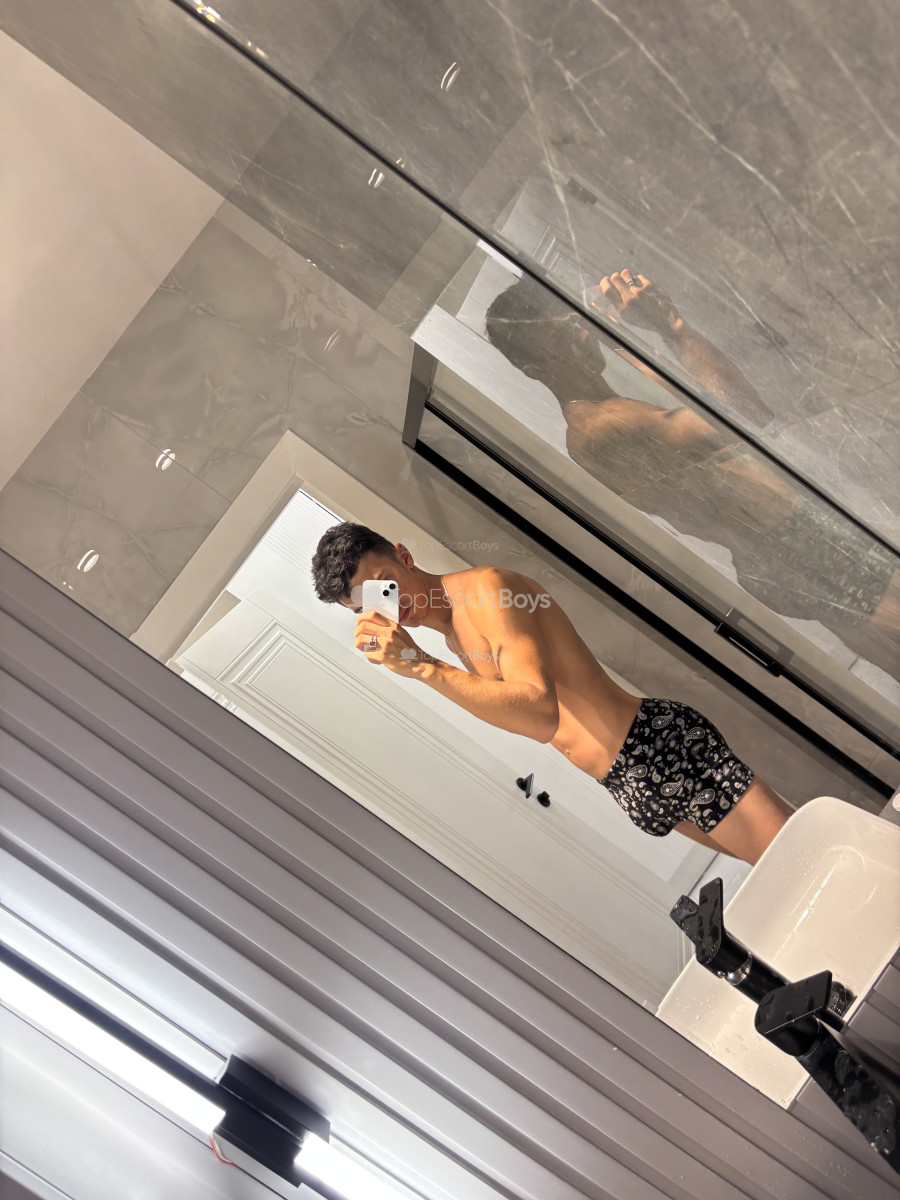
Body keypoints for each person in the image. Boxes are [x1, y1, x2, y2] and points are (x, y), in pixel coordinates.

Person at [484, 271, 900, 677]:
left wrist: (631, 334)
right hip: (791, 545)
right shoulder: (597, 430)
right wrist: (670, 327)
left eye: (576, 321)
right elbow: (742, 417)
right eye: (562, 334)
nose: (583, 333)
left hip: (791, 540)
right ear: (536, 370)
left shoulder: (604, 409)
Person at [311, 522, 795, 865]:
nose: (391, 606)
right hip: (625, 781)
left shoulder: (486, 590)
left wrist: (422, 667)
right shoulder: (452, 634)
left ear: (404, 555)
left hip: (656, 749)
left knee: (801, 860)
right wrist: (424, 663)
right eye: (369, 604)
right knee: (776, 874)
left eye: (386, 585)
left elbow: (541, 713)